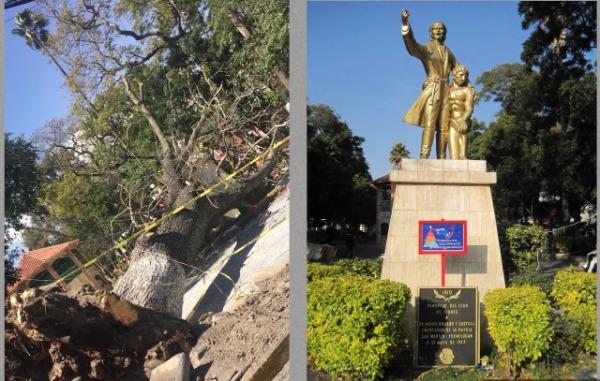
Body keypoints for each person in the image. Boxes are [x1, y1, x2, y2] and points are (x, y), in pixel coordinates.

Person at [401, 9, 458, 159]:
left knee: (444, 126)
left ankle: (441, 157)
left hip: (447, 90)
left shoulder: (448, 52)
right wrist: (406, 25)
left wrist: (470, 88)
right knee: (430, 124)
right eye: (436, 28)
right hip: (434, 88)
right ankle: (424, 156)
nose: (439, 30)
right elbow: (413, 46)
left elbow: (459, 69)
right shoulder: (427, 49)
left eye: (442, 28)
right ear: (430, 33)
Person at [447, 64, 476, 159]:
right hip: (450, 122)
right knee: (453, 156)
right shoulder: (446, 90)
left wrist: (463, 119)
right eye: (460, 75)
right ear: (453, 75)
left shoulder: (467, 90)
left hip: (462, 121)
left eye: (465, 76)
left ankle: (463, 155)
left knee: (462, 156)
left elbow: (469, 108)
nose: (463, 78)